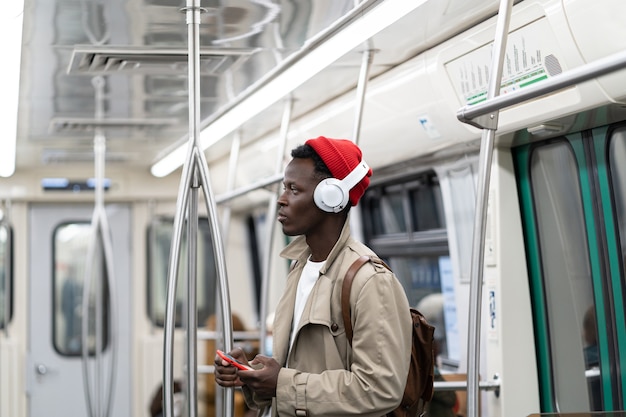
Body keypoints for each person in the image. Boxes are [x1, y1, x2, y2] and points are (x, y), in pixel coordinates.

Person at [214, 136, 413, 416]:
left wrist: (282, 384)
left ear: (330, 197)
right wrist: (252, 376)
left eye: (294, 190)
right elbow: (301, 370)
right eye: (284, 188)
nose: (282, 200)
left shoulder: (370, 281)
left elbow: (380, 388)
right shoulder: (300, 268)